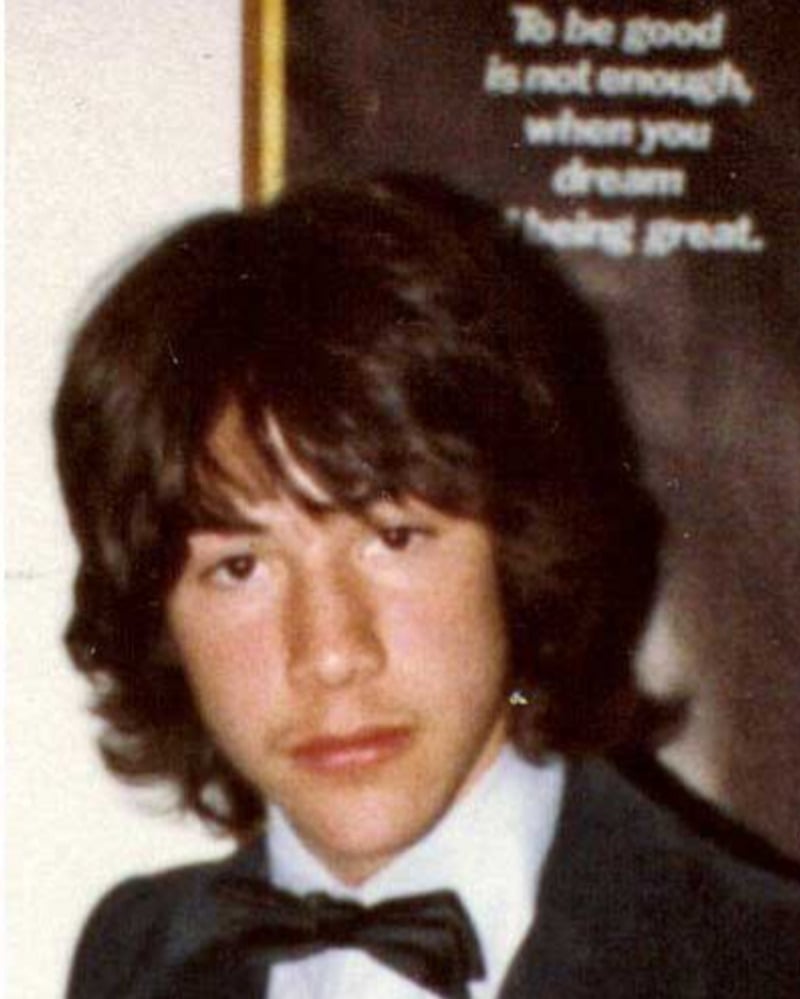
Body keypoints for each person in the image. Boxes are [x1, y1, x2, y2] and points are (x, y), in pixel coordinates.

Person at [55, 175, 800, 999]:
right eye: (241, 567)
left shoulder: (761, 962)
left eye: (393, 536)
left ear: (518, 548)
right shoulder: (131, 957)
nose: (331, 652)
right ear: (160, 620)